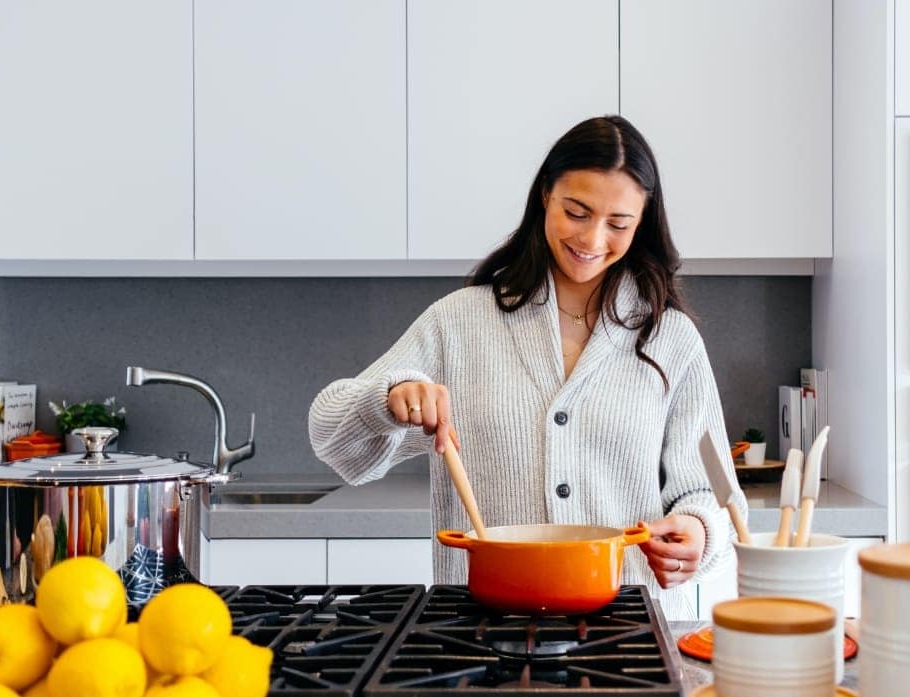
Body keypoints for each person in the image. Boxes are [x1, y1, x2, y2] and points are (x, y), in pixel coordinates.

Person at [308, 115, 747, 619]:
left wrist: (698, 531)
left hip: (629, 631)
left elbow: (714, 496)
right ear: (545, 196)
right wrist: (388, 399)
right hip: (481, 631)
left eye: (618, 224)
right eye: (576, 212)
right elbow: (331, 439)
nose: (593, 239)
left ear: (642, 222)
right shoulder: (460, 323)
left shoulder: (671, 338)